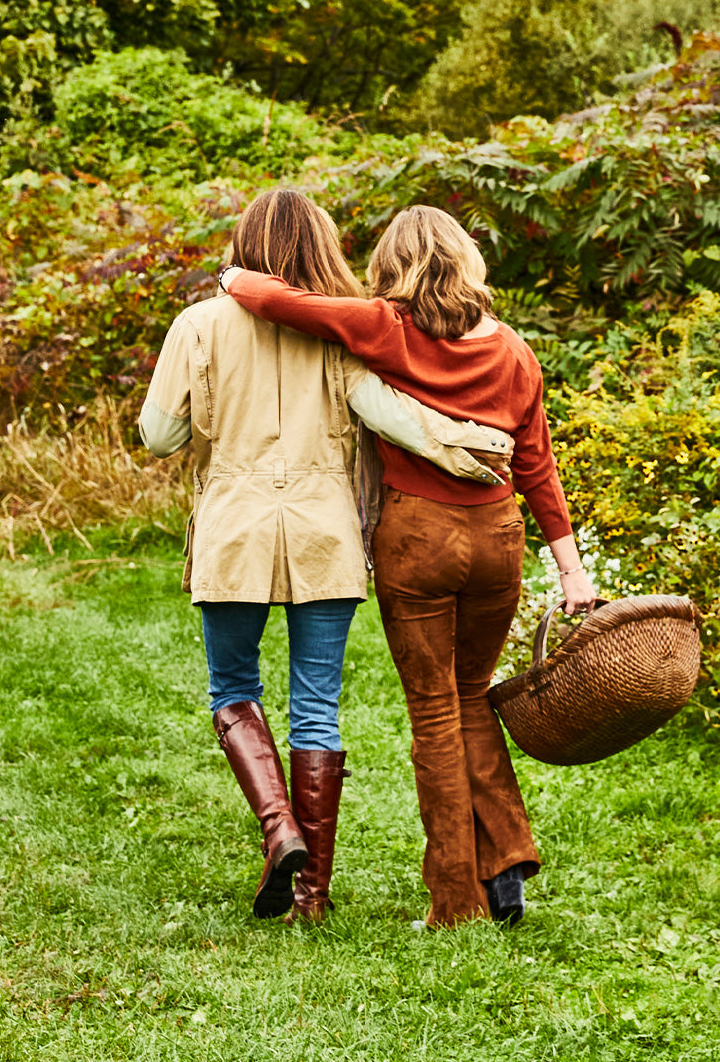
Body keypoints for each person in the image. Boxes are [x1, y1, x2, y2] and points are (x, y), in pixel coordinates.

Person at [138, 190, 514, 924]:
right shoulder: (340, 335)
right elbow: (393, 420)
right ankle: (309, 896)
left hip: (235, 531)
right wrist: (473, 452)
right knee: (316, 707)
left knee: (233, 688)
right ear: (322, 246)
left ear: (244, 243)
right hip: (325, 536)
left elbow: (158, 437)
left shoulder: (198, 326)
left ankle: (280, 831)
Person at [221, 204, 597, 927]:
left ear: (395, 268)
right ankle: (508, 860)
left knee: (433, 714)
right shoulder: (515, 351)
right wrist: (571, 571)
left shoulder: (386, 328)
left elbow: (276, 298)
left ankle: (455, 901)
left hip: (419, 539)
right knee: (472, 693)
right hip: (498, 540)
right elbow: (538, 467)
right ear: (467, 261)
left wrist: (233, 274)